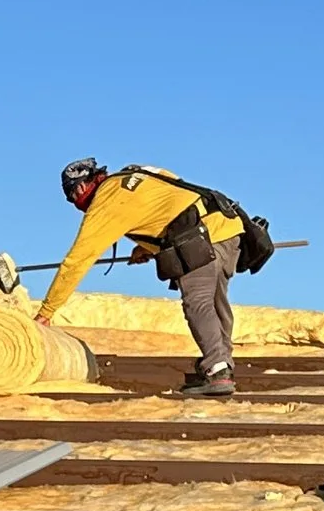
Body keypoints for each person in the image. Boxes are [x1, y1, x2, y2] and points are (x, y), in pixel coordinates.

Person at [38, 158, 245, 393]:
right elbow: (173, 193)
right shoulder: (134, 173)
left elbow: (77, 261)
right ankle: (222, 364)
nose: (75, 203)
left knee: (198, 302)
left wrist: (46, 312)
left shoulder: (105, 203)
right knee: (217, 303)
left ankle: (217, 371)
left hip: (197, 239)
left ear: (81, 188)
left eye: (71, 197)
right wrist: (148, 247)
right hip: (228, 227)